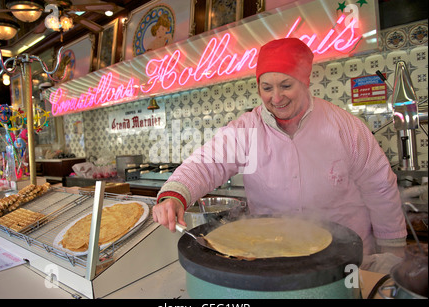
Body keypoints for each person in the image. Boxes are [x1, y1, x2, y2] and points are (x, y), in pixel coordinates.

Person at [152, 38, 407, 266]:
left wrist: (393, 248)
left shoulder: (344, 126)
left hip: (345, 256)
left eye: (286, 85)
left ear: (305, 82)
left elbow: (379, 187)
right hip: (273, 258)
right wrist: (175, 195)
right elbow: (207, 163)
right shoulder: (247, 128)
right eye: (266, 87)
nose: (276, 98)